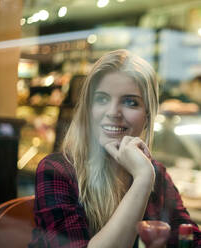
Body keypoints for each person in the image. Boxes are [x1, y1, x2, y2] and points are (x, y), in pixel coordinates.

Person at [29, 49, 201, 248]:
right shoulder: (57, 170)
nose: (113, 112)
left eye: (130, 102)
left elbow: (188, 238)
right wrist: (142, 180)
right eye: (102, 99)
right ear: (88, 109)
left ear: (147, 116)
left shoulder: (156, 173)